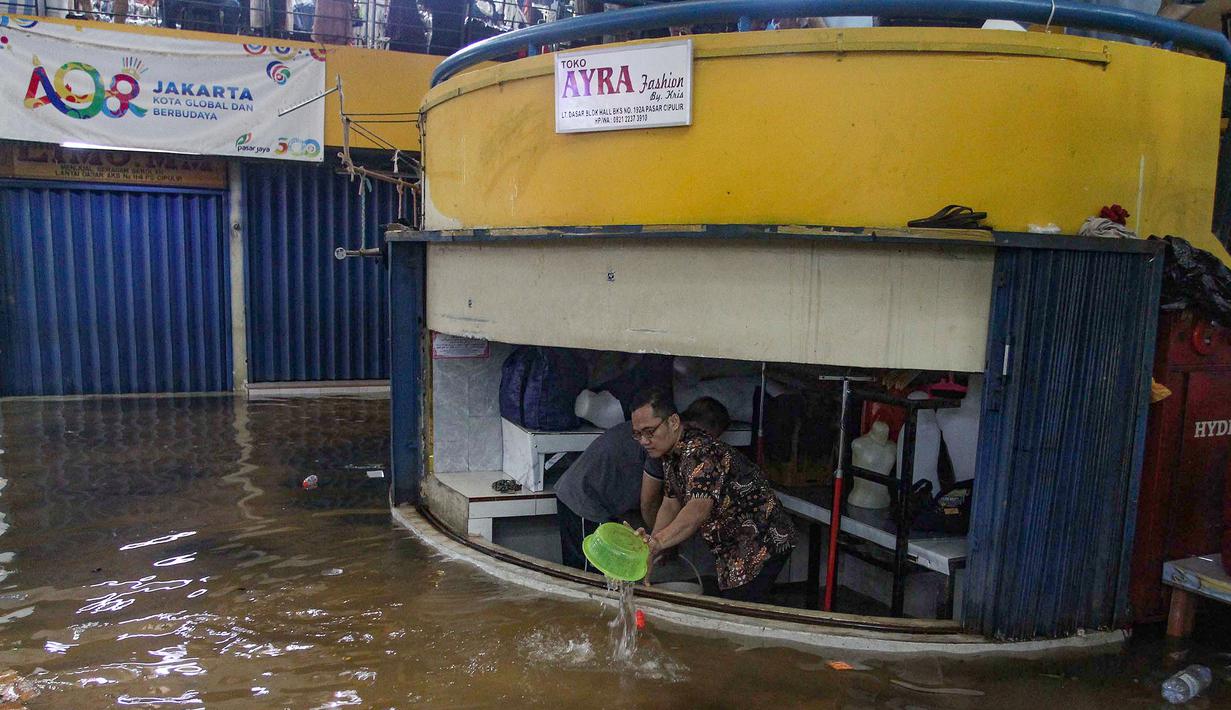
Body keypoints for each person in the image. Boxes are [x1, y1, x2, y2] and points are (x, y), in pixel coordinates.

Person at [632, 387, 797, 604]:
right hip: (732, 545)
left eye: (649, 431)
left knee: (739, 611)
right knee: (732, 604)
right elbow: (670, 504)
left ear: (673, 422)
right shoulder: (672, 453)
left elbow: (698, 509)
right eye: (637, 434)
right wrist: (650, 546)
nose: (644, 441)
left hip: (762, 538)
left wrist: (658, 542)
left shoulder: (701, 452)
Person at [554, 397, 730, 572]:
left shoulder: (665, 437)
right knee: (591, 575)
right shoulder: (660, 445)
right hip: (584, 500)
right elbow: (649, 503)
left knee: (597, 573)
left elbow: (669, 500)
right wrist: (662, 542)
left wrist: (661, 540)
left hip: (582, 494)